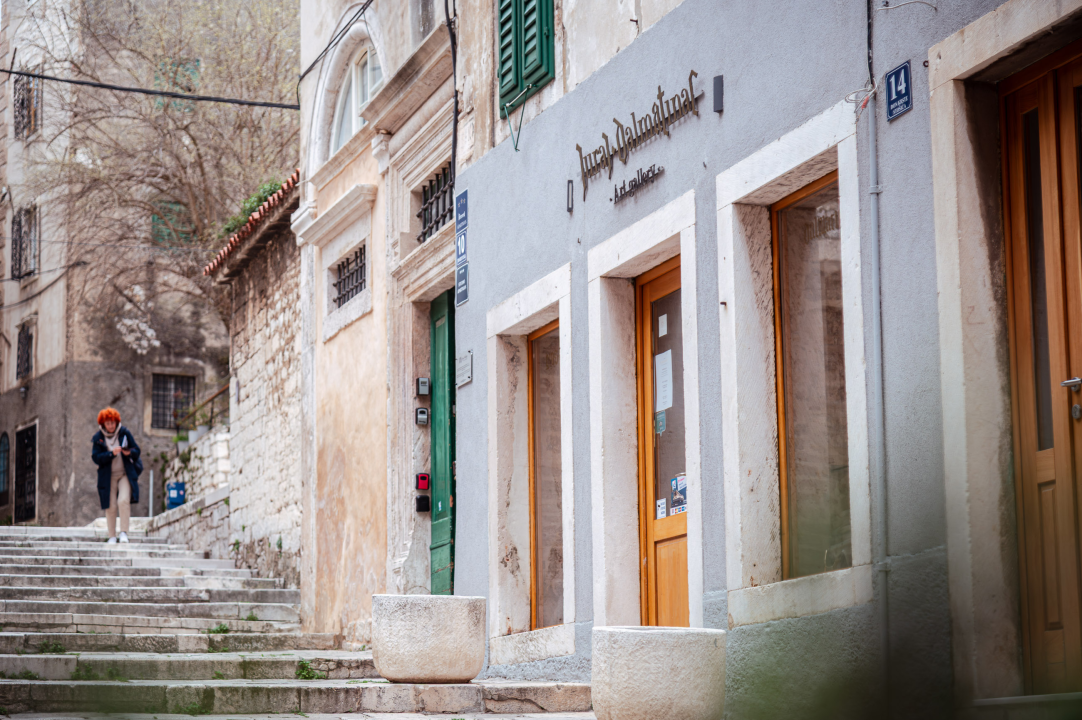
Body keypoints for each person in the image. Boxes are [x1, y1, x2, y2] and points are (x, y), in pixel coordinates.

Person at [91, 408, 142, 543]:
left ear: (116, 422)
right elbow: (96, 457)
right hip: (108, 477)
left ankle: (124, 533)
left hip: (124, 474)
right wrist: (110, 454)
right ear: (103, 424)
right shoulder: (98, 438)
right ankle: (112, 536)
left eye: (113, 423)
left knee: (123, 500)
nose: (111, 426)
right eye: (108, 423)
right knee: (111, 505)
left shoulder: (124, 432)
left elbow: (137, 450)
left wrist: (128, 452)